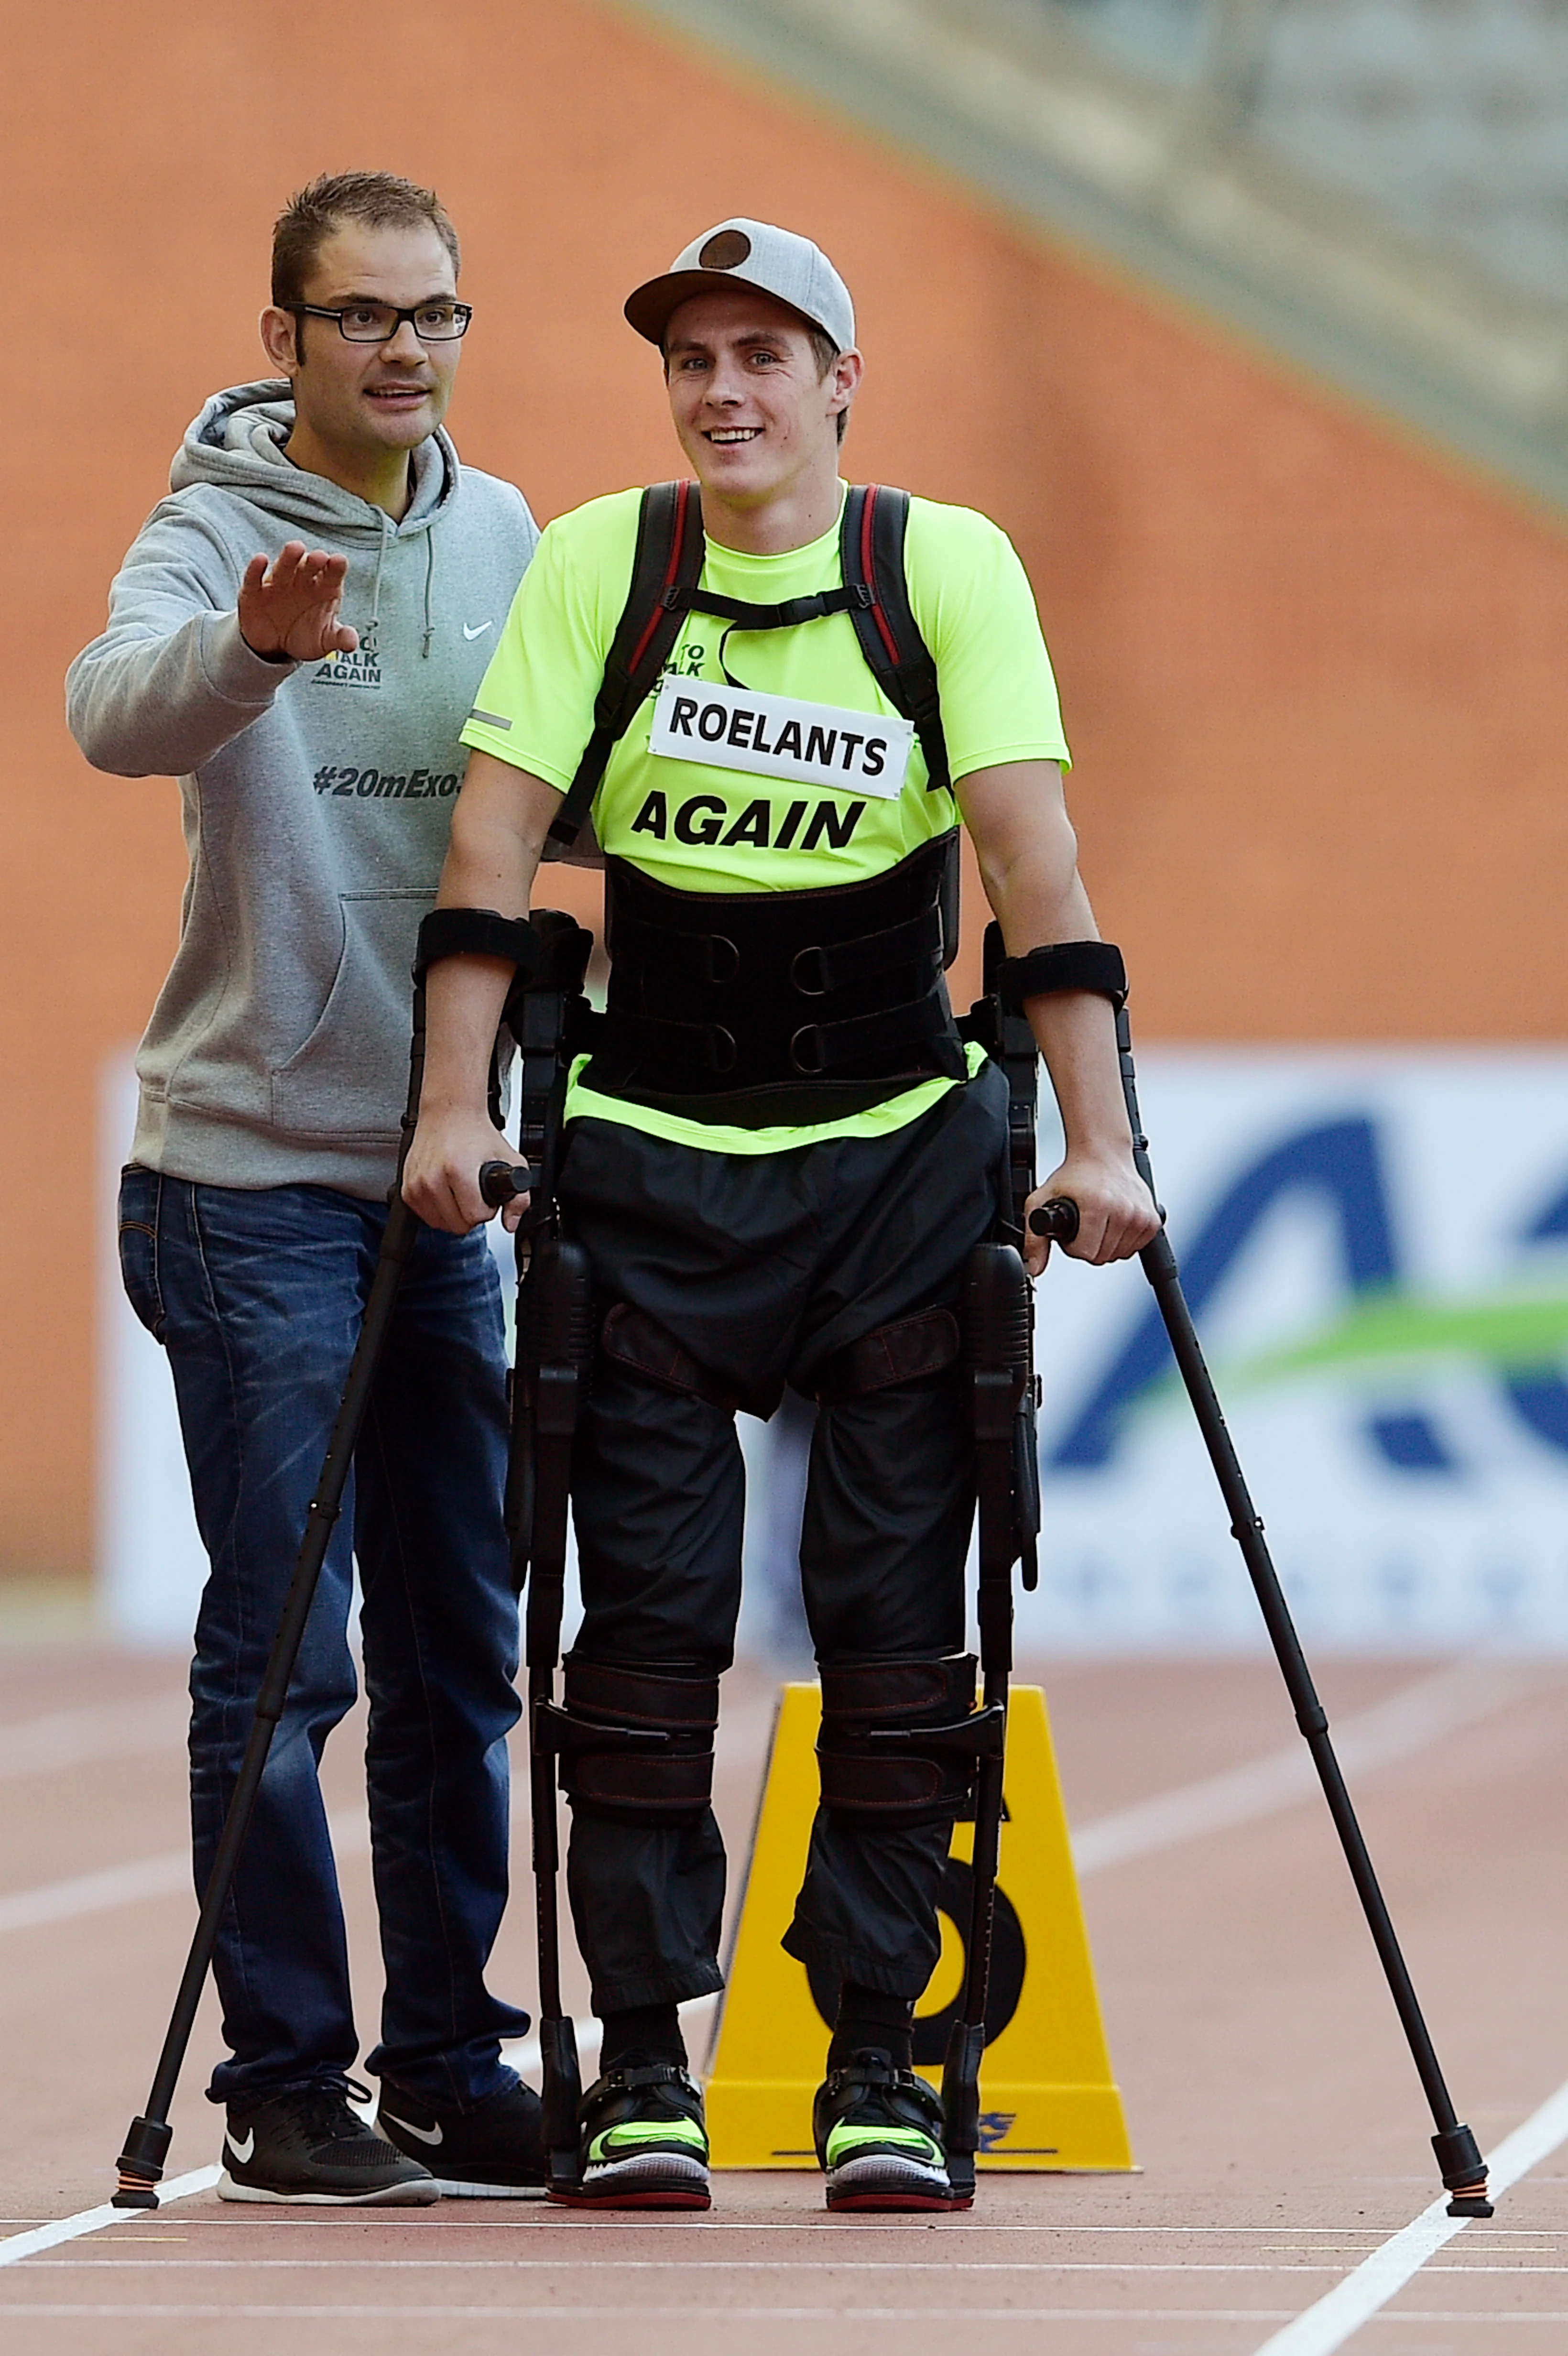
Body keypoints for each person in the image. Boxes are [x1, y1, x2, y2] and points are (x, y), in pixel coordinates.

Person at [403, 217, 1160, 2214]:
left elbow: (1032, 859)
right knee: (640, 1637)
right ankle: (644, 2057)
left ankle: (878, 2066)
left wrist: (1098, 1143)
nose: (722, 388)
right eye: (693, 357)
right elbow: (493, 847)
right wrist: (448, 1111)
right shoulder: (604, 563)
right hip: (645, 1162)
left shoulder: (942, 568)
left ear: (841, 379)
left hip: (898, 1168)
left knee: (900, 1639)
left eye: (763, 353)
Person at [68, 171, 546, 2206]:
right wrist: (250, 655)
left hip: (444, 1169)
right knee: (285, 1646)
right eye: (362, 317)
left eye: (433, 313)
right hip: (248, 1175)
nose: (405, 350)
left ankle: (450, 2050)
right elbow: (113, 708)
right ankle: (284, 2070)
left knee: (461, 1638)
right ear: (286, 337)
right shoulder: (215, 524)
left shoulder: (513, 529)